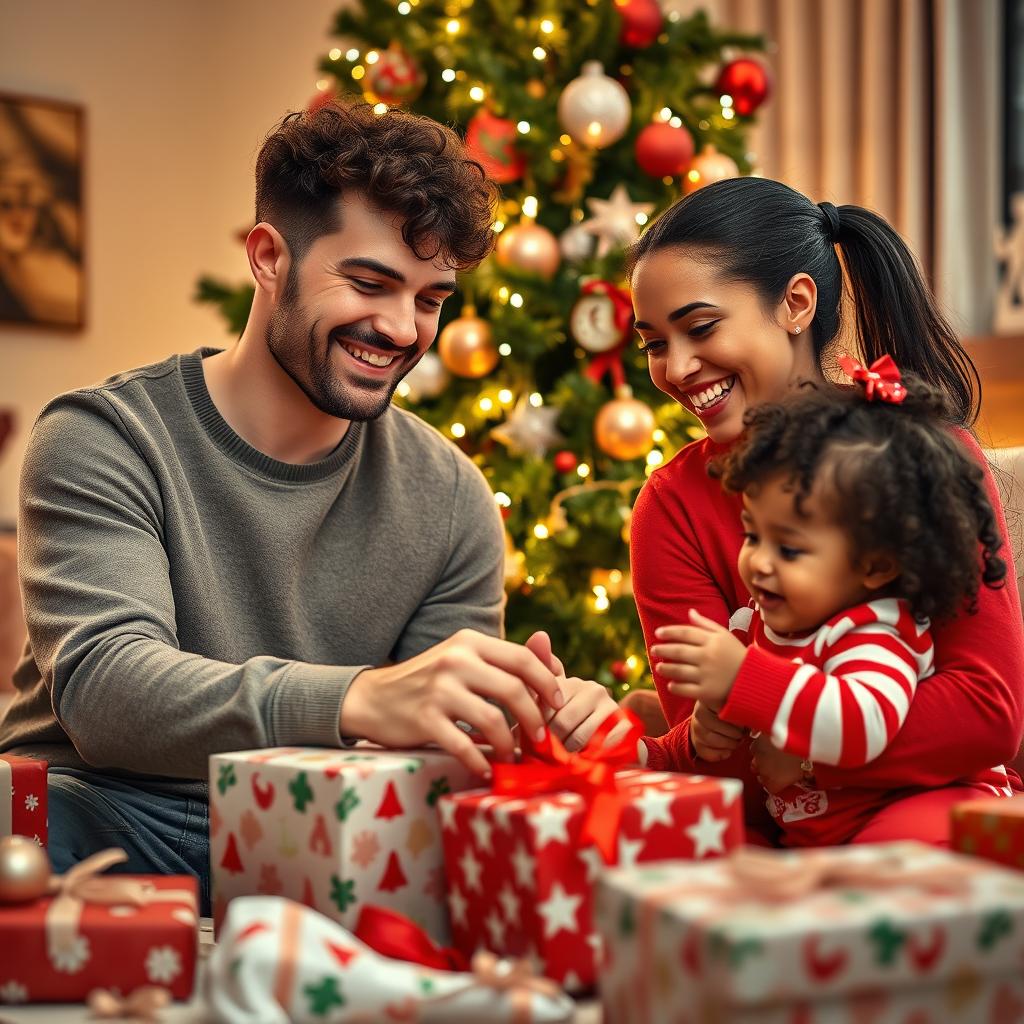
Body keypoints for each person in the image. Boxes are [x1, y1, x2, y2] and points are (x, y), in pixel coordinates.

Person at [0, 101, 566, 905]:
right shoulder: (105, 437)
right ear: (268, 258)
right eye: (369, 282)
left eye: (431, 299)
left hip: (326, 838)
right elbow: (107, 692)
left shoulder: (450, 496)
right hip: (104, 818)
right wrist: (359, 696)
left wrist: (522, 715)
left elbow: (442, 757)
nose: (401, 328)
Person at [545, 177, 1024, 845]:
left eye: (701, 327)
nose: (677, 367)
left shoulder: (923, 451)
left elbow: (985, 714)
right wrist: (627, 741)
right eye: (654, 343)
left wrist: (792, 740)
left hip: (936, 808)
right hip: (790, 829)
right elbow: (720, 753)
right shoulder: (672, 506)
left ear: (796, 303)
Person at [641, 365, 1011, 846]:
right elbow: (706, 741)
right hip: (825, 834)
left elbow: (863, 722)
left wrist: (744, 681)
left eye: (790, 549)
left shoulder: (874, 632)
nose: (759, 563)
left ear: (875, 566)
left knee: (892, 855)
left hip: (925, 804)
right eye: (753, 535)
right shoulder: (756, 625)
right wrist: (669, 746)